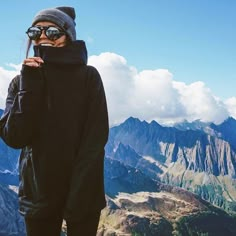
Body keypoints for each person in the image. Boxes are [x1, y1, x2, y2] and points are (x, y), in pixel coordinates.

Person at [0, 6, 109, 236]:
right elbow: (15, 137)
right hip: (37, 194)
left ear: (67, 36)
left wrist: (77, 197)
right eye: (35, 32)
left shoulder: (89, 77)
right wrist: (30, 83)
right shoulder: (20, 82)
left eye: (52, 32)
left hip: (84, 193)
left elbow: (95, 140)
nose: (42, 37)